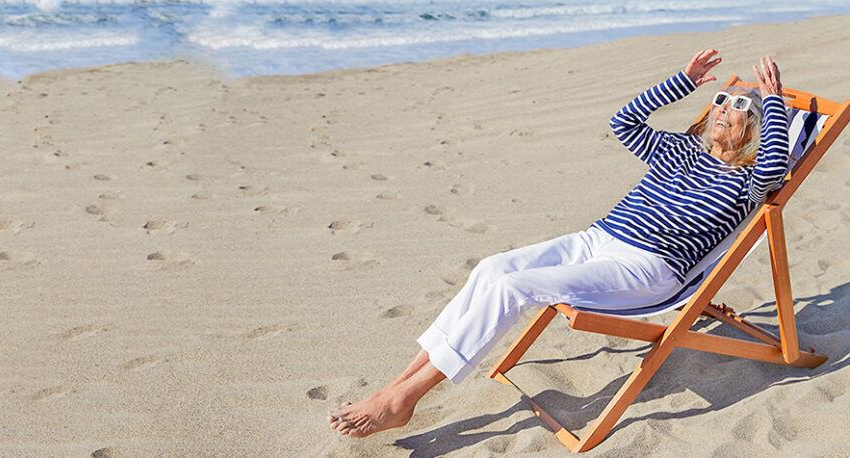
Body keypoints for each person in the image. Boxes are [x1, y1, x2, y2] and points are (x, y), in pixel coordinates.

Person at [328, 50, 790, 439]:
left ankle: (406, 398)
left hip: (646, 269)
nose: (723, 108)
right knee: (491, 269)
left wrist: (773, 104)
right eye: (720, 100)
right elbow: (623, 121)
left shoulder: (747, 181)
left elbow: (773, 170)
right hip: (595, 240)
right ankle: (394, 385)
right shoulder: (680, 150)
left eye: (737, 107)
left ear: (754, 129)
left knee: (515, 289)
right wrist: (682, 82)